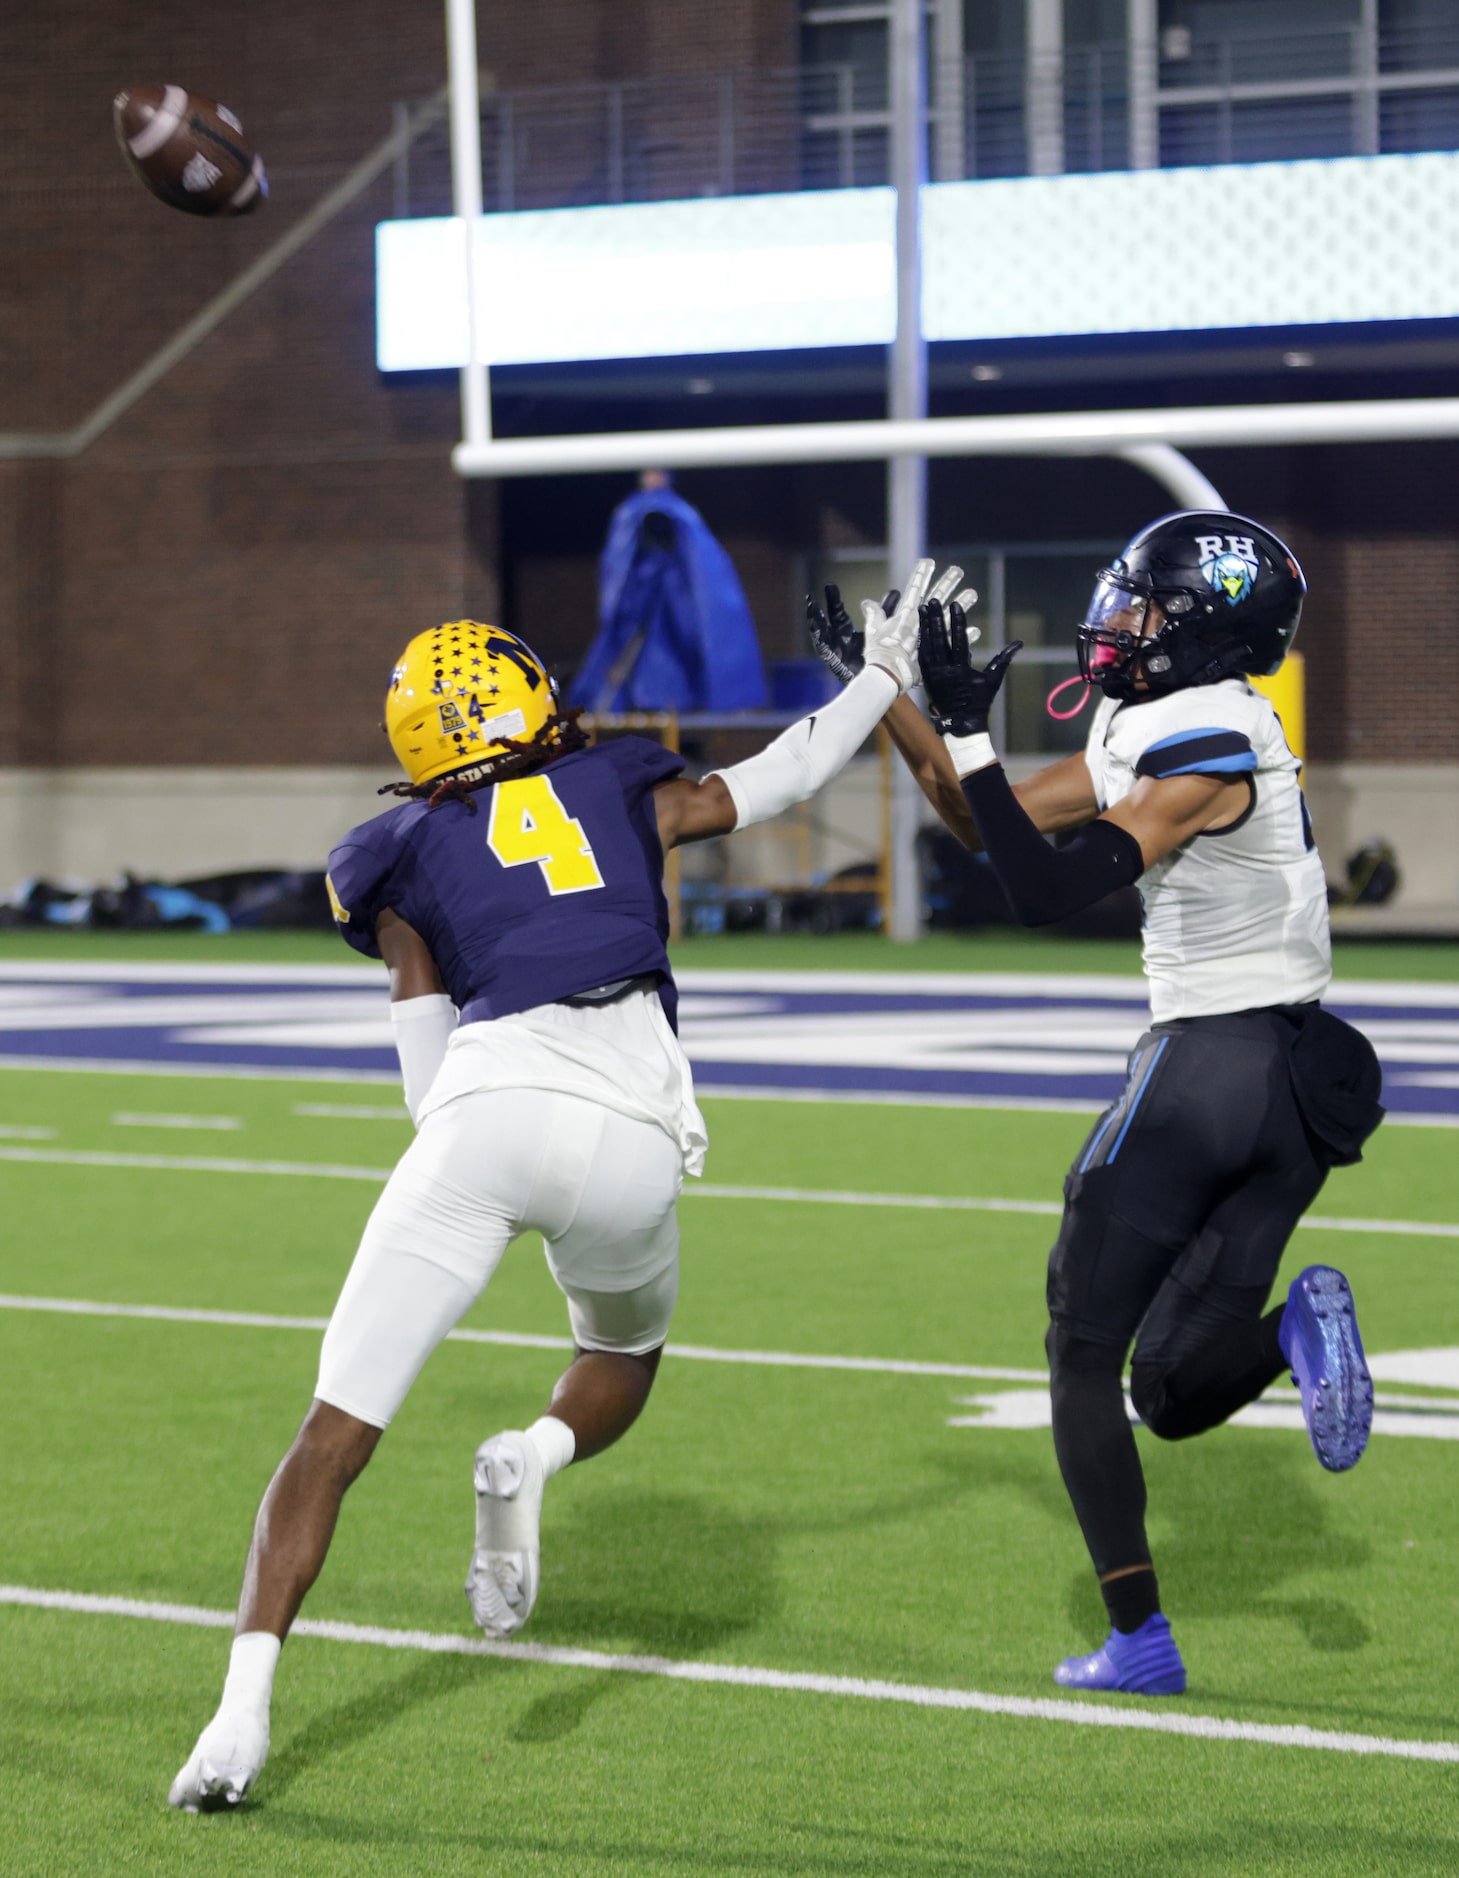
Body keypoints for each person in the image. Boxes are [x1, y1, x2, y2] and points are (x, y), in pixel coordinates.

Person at [169, 565, 948, 1812]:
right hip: (636, 1127)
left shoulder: (394, 854)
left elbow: (428, 1085)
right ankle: (534, 1452)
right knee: (621, 1359)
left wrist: (473, 1167)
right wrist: (881, 678)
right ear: (531, 700)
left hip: (483, 1114)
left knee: (329, 1438)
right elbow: (786, 774)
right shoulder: (619, 781)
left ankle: (236, 1721)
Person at [811, 512, 1383, 1694]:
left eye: (1146, 606)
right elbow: (987, 822)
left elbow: (1043, 890)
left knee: (1077, 1352)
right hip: (1295, 1094)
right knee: (1169, 1394)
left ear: (1205, 626)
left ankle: (1140, 1644)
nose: (1119, 621)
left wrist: (962, 721)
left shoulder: (1209, 734)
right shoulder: (1178, 718)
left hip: (1211, 1072)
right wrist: (888, 693)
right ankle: (1290, 1332)